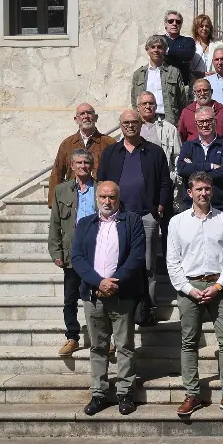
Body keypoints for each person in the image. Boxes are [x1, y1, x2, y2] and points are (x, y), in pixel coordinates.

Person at [166, 172, 223, 419]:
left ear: (212, 191)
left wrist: (219, 285)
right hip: (189, 288)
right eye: (198, 189)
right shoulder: (177, 222)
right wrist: (189, 290)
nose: (203, 193)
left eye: (207, 189)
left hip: (219, 286)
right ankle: (192, 394)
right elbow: (172, 261)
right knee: (189, 343)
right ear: (190, 192)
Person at [71, 181, 145, 416]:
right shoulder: (85, 224)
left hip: (121, 294)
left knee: (124, 346)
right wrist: (97, 282)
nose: (107, 201)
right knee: (98, 346)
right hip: (94, 295)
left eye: (111, 197)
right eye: (102, 196)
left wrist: (114, 282)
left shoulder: (131, 221)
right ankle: (99, 393)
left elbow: (136, 255)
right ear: (96, 198)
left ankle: (125, 393)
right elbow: (77, 257)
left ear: (118, 197)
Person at [97, 110, 173, 318]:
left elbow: (166, 182)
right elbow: (101, 182)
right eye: (126, 122)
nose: (130, 125)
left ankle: (147, 308)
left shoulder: (155, 152)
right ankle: (123, 307)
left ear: (141, 124)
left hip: (146, 215)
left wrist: (159, 208)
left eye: (134, 122)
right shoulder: (111, 152)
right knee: (118, 262)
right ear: (121, 126)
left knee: (147, 264)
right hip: (117, 218)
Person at [48, 148, 98, 356]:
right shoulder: (62, 190)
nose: (83, 167)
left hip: (96, 251)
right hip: (72, 252)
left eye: (86, 163)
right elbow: (55, 223)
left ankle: (101, 338)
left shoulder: (101, 188)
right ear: (72, 166)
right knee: (70, 298)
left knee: (97, 297)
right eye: (78, 163)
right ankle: (72, 337)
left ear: (92, 165)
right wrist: (56, 251)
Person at [47, 103, 115, 208]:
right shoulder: (67, 144)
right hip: (73, 199)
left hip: (101, 201)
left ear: (96, 117)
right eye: (82, 114)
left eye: (89, 113)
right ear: (76, 119)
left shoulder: (109, 143)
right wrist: (54, 203)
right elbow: (57, 173)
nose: (86, 116)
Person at [178, 106, 223, 214]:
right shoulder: (188, 146)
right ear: (196, 124)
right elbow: (182, 169)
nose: (205, 125)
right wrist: (210, 166)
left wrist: (193, 168)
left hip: (221, 207)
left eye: (208, 121)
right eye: (201, 122)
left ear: (215, 121)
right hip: (192, 207)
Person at [135, 91, 181, 206]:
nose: (148, 106)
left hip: (162, 184)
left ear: (156, 106)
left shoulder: (169, 129)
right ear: (138, 107)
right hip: (137, 184)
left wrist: (173, 178)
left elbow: (178, 157)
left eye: (151, 103)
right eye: (144, 103)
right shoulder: (131, 129)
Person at [131, 35, 186, 123]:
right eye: (152, 47)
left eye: (159, 47)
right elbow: (134, 101)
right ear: (147, 50)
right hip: (145, 120)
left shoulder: (174, 72)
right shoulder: (138, 74)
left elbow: (182, 100)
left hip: (168, 120)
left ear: (164, 50)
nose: (156, 50)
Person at [162, 10, 196, 87]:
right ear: (165, 23)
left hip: (181, 84)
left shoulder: (188, 41)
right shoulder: (158, 39)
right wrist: (178, 53)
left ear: (181, 25)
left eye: (178, 22)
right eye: (171, 21)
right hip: (162, 83)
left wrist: (166, 51)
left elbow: (187, 55)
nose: (174, 23)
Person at [189, 14, 223, 80]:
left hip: (215, 81)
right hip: (197, 82)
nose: (204, 28)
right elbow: (187, 68)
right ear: (196, 28)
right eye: (201, 26)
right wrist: (197, 73)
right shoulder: (191, 45)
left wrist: (217, 72)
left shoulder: (219, 45)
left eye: (207, 26)